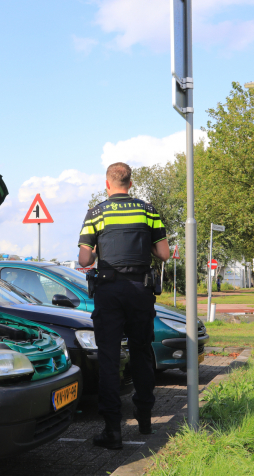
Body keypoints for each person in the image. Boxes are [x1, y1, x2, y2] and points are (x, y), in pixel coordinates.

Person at [78, 162, 169, 449]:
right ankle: (144, 419)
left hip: (109, 291)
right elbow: (163, 253)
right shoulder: (148, 210)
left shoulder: (96, 213)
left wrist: (95, 250)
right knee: (142, 353)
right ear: (130, 184)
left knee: (109, 357)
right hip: (140, 290)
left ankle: (112, 430)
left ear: (108, 184)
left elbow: (84, 261)